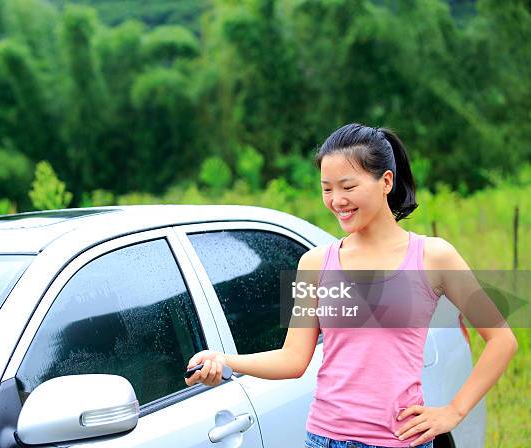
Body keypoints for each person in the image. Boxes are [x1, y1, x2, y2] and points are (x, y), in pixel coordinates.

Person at [184, 123, 518, 448]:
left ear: (386, 181)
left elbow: (502, 340)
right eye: (327, 188)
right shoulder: (315, 264)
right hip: (323, 438)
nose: (336, 200)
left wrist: (454, 411)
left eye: (348, 186)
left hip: (397, 442)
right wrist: (227, 360)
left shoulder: (433, 257)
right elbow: (292, 359)